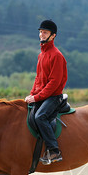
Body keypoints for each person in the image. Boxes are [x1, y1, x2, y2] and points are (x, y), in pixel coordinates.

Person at [25, 19, 67, 165]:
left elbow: (54, 82)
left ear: (53, 35)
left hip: (54, 96)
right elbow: (38, 78)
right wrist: (32, 94)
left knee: (40, 116)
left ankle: (54, 151)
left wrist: (37, 97)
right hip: (42, 95)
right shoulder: (41, 55)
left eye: (45, 32)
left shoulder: (57, 55)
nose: (42, 35)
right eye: (41, 32)